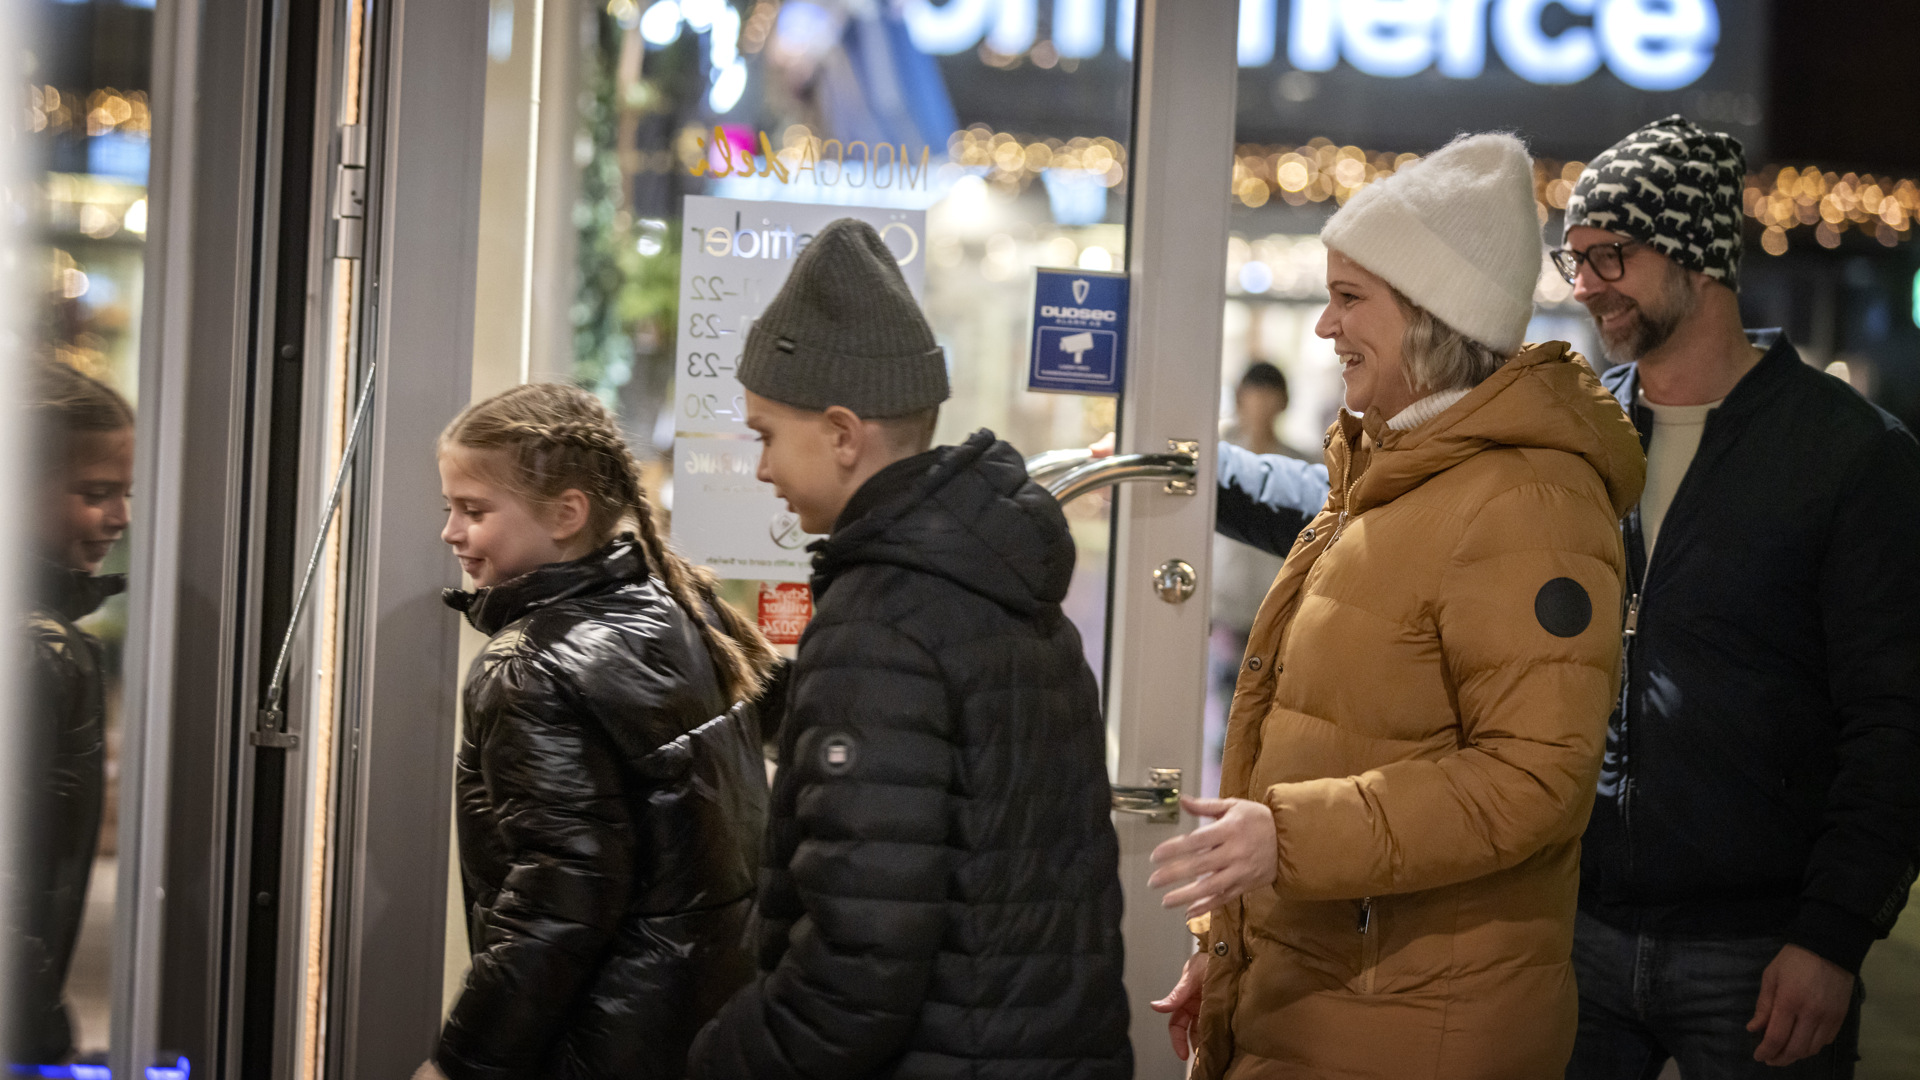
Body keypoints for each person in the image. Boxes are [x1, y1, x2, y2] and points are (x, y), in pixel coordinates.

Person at [1147, 133, 1646, 1079]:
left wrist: (1285, 839)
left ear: (1429, 316)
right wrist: (1233, 954)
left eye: (1349, 300)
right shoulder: (1392, 476)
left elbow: (1536, 777)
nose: (1325, 330)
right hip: (1325, 999)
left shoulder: (1526, 503)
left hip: (1415, 1028)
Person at [685, 219, 1131, 1079]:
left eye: (767, 434)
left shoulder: (882, 623)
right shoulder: (1004, 580)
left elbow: (859, 963)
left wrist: (723, 1057)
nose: (760, 469)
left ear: (845, 434)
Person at [1555, 116, 1920, 1079]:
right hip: (1581, 928)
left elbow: (1896, 718)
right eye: (1575, 258)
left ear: (1696, 254)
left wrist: (1835, 935)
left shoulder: (1849, 454)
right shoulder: (1582, 432)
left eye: (1611, 255)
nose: (1586, 284)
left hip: (1763, 950)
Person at [423, 383, 779, 1080]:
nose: (451, 532)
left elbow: (556, 906)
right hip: (699, 1023)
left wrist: (459, 1062)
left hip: (602, 1040)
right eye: (449, 509)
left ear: (566, 513)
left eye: (474, 510)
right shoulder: (675, 602)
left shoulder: (531, 668)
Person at [7, 360, 134, 1066]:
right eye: (95, 493)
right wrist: (36, 1030)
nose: (119, 517)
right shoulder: (37, 646)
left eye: (125, 493)